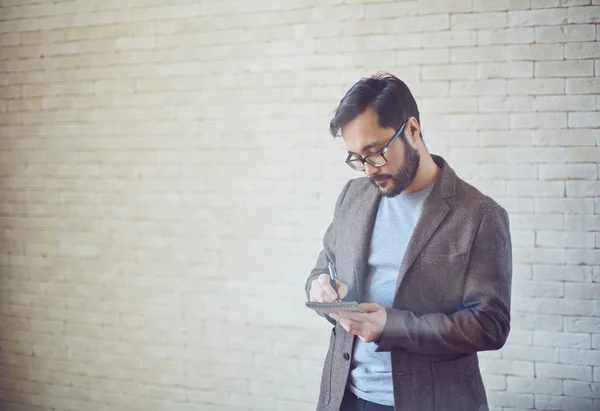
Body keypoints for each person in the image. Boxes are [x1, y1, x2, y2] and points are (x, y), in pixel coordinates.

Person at [305, 73, 512, 411]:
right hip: (345, 395)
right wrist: (318, 286)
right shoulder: (352, 195)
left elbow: (490, 325)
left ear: (412, 130)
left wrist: (392, 326)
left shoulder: (479, 215)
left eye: (375, 152)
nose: (368, 169)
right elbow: (324, 264)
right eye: (356, 158)